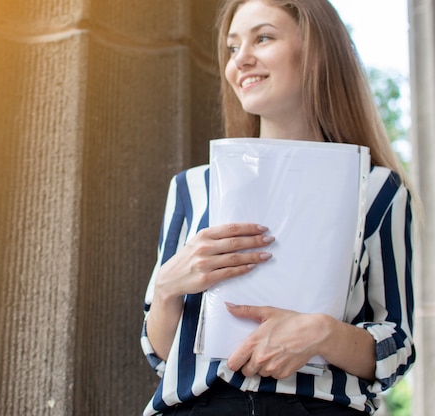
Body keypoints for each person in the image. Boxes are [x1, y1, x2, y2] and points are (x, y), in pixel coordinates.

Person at [140, 0, 416, 415]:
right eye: (232, 48)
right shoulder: (191, 187)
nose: (241, 60)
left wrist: (322, 333)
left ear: (316, 51)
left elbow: (397, 347)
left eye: (263, 38)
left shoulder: (377, 190)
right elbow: (161, 354)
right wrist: (165, 288)